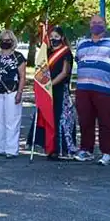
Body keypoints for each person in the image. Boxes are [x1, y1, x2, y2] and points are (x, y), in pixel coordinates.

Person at [74, 14, 110, 165]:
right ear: (89, 25)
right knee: (85, 120)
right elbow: (78, 60)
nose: (96, 24)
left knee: (106, 122)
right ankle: (86, 150)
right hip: (84, 89)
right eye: (93, 22)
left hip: (106, 89)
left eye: (99, 22)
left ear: (105, 24)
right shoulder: (82, 42)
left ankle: (107, 153)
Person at [32, 26, 78, 159]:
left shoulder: (66, 53)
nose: (53, 39)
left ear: (62, 38)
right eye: (51, 37)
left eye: (56, 37)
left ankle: (62, 149)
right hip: (48, 91)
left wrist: (51, 84)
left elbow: (64, 72)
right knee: (49, 118)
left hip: (59, 90)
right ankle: (51, 148)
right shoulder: (48, 53)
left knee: (61, 120)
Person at [0, 30, 26, 158]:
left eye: (8, 40)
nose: (5, 42)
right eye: (3, 40)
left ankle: (11, 150)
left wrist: (20, 92)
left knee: (12, 121)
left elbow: (22, 76)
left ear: (13, 41)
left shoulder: (19, 57)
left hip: (13, 91)